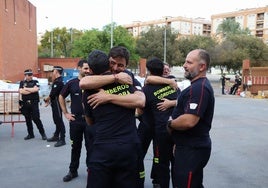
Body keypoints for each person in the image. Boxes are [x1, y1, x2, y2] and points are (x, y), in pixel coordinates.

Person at [81, 49, 145, 188]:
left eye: (120, 65)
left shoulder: (127, 78)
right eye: (112, 63)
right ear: (107, 62)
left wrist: (108, 97)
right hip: (113, 147)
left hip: (114, 148)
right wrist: (114, 79)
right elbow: (83, 82)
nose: (116, 68)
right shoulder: (91, 85)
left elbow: (140, 101)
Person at [167, 49, 215, 188]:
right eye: (185, 61)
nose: (184, 65)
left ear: (202, 67)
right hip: (187, 147)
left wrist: (170, 124)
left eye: (189, 62)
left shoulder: (199, 88)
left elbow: (189, 121)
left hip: (192, 150)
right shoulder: (195, 86)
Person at [58, 60, 94, 182]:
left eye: (89, 69)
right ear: (78, 68)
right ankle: (73, 171)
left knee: (91, 148)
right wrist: (66, 113)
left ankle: (91, 171)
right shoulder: (72, 83)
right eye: (85, 68)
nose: (87, 71)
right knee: (75, 147)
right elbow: (61, 96)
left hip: (90, 122)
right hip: (76, 121)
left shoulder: (93, 83)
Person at [19, 69, 47, 140]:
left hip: (34, 103)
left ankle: (43, 133)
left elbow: (36, 89)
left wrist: (26, 89)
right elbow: (21, 91)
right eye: (29, 75)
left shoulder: (35, 82)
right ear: (26, 75)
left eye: (31, 75)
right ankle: (30, 134)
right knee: (28, 119)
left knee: (36, 118)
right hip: (25, 103)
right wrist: (31, 90)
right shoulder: (22, 82)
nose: (31, 76)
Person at [44, 66, 66, 147]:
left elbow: (53, 93)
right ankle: (56, 135)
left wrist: (47, 99)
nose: (52, 72)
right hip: (54, 102)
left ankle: (62, 139)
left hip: (57, 103)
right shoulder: (56, 81)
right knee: (56, 120)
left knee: (59, 120)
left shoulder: (59, 82)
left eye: (53, 70)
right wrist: (49, 100)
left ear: (56, 71)